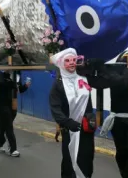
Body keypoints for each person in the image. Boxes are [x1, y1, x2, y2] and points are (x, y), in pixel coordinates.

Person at [49, 48, 109, 178]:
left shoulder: (84, 78)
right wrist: (67, 122)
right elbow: (55, 108)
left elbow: (105, 82)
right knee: (69, 161)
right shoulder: (58, 85)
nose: (71, 63)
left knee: (86, 160)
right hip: (70, 130)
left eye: (73, 60)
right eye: (67, 61)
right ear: (61, 64)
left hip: (86, 129)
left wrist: (99, 65)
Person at [0, 71, 30, 157]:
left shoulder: (17, 74)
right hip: (1, 103)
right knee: (8, 126)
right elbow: (2, 84)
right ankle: (13, 149)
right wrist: (13, 84)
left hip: (12, 103)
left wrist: (25, 86)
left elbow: (19, 89)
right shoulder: (2, 74)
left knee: (4, 126)